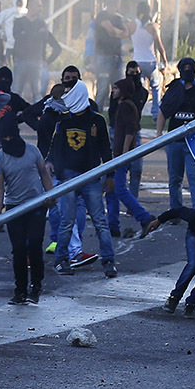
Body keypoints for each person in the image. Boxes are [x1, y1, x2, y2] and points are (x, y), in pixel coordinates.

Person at [21, 66, 98, 269]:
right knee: (54, 210)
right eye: (67, 80)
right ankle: (68, 252)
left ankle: (67, 249)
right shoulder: (51, 109)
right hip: (50, 166)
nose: (70, 84)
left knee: (68, 210)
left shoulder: (84, 107)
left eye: (74, 80)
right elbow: (29, 115)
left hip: (72, 166)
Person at [46, 80, 118, 278]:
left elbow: (106, 148)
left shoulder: (97, 120)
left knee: (99, 221)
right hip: (68, 176)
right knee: (66, 221)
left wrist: (110, 175)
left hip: (91, 176)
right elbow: (55, 146)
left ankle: (109, 260)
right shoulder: (63, 121)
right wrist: (50, 163)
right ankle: (61, 260)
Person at [0, 115, 54, 305]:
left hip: (36, 206)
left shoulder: (33, 151)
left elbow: (44, 173)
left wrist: (50, 195)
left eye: (11, 137)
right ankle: (20, 290)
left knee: (35, 244)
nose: (9, 141)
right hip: (14, 208)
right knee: (18, 250)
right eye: (5, 138)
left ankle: (36, 287)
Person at [157, 58, 195, 211]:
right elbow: (163, 112)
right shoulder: (174, 89)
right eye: (185, 67)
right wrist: (159, 135)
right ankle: (175, 211)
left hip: (193, 142)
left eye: (190, 67)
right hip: (174, 141)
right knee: (175, 179)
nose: (187, 70)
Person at [105, 78, 156, 238]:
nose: (113, 91)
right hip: (118, 154)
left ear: (124, 91)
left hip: (122, 155)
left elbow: (131, 129)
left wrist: (125, 151)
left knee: (119, 188)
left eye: (116, 88)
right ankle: (112, 225)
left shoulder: (127, 106)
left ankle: (145, 217)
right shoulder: (122, 105)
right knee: (111, 189)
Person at [107, 61, 148, 204]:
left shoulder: (140, 94)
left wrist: (125, 148)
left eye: (136, 73)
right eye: (130, 72)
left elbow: (132, 126)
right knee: (114, 172)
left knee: (135, 169)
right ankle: (117, 202)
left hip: (132, 132)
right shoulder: (118, 92)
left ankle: (132, 203)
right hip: (117, 130)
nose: (133, 76)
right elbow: (112, 112)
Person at [13, 0, 61, 102]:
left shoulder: (41, 23)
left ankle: (38, 115)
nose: (40, 8)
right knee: (16, 91)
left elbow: (43, 37)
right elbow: (17, 36)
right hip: (20, 60)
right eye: (38, 5)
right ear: (30, 6)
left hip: (36, 61)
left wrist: (26, 33)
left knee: (37, 92)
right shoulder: (19, 21)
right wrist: (35, 33)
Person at [127, 1, 168, 122]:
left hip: (137, 61)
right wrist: (164, 59)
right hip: (150, 61)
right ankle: (155, 113)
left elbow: (130, 39)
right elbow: (159, 45)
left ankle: (136, 111)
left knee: (138, 89)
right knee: (155, 88)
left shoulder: (132, 25)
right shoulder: (153, 26)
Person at [94, 0, 129, 111]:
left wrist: (116, 32)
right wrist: (117, 31)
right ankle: (96, 116)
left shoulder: (118, 18)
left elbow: (125, 33)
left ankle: (115, 117)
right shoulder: (102, 15)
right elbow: (111, 30)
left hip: (117, 57)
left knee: (119, 88)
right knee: (103, 89)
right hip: (104, 57)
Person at [0, 0, 28, 66]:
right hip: (10, 46)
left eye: (21, 1)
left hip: (23, 47)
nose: (19, 4)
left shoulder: (27, 14)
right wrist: (2, 34)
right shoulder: (8, 13)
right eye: (18, 1)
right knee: (8, 65)